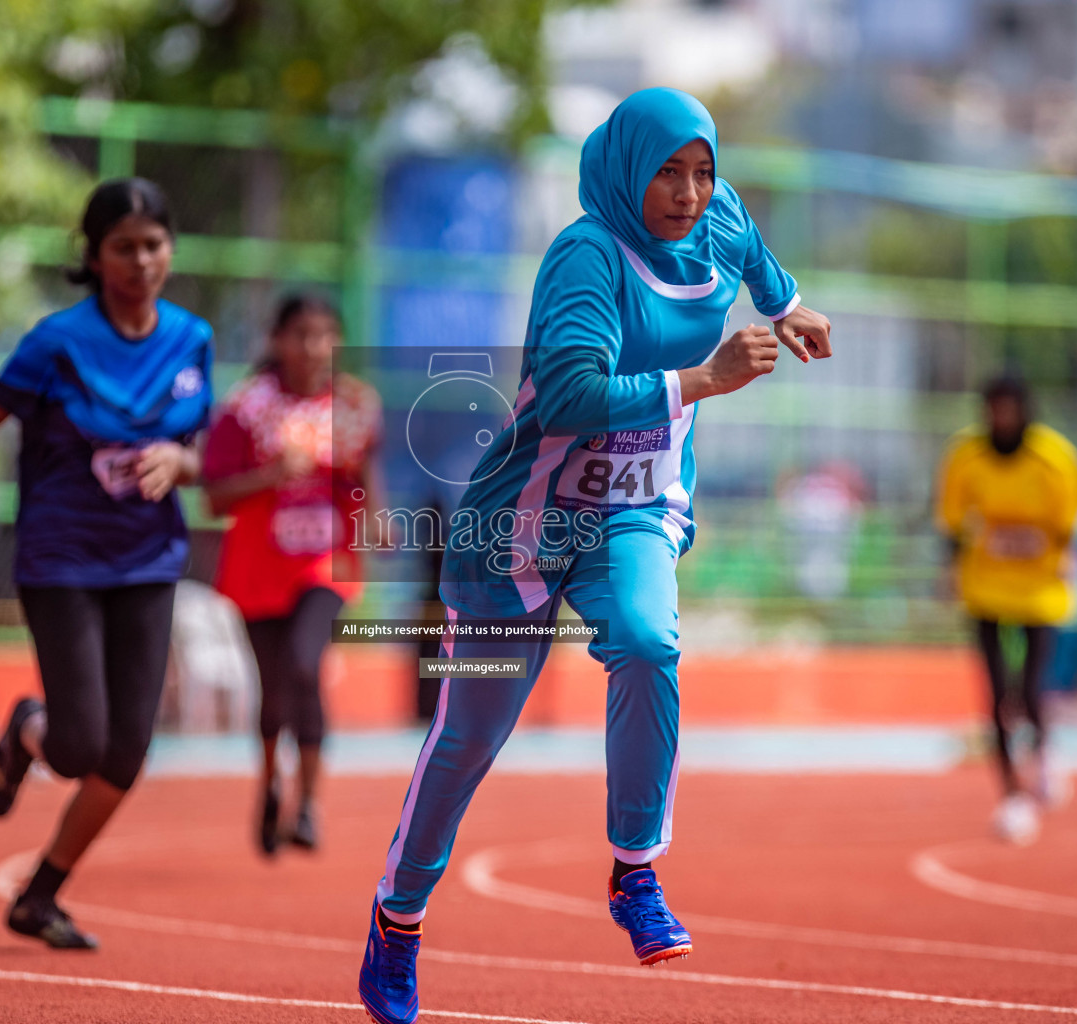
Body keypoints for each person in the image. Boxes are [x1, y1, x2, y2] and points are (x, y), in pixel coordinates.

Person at [356, 88, 832, 1024]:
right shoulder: (585, 256)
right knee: (466, 742)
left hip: (634, 509)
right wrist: (704, 379)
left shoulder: (720, 213)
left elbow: (760, 264)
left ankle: (634, 871)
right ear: (624, 167)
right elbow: (571, 396)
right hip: (527, 516)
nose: (690, 192)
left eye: (702, 170)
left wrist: (791, 307)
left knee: (651, 644)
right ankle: (399, 919)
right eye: (668, 171)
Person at [0, 178, 212, 949]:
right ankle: (28, 729)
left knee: (126, 752)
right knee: (76, 746)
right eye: (122, 247)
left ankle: (40, 894)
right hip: (61, 558)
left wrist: (180, 464)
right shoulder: (56, 342)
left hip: (150, 558)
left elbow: (202, 449)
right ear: (93, 258)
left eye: (152, 245)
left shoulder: (192, 338)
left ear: (171, 251)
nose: (140, 261)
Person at [202, 294, 380, 855]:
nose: (314, 347)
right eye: (302, 334)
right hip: (259, 566)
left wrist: (374, 523)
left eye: (327, 334)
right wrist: (272, 474)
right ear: (278, 340)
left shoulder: (353, 405)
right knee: (273, 686)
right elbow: (213, 496)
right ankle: (269, 784)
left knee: (306, 663)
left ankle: (308, 804)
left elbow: (364, 477)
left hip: (325, 564)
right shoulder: (246, 407)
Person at [934, 376, 1077, 846]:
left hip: (1040, 592)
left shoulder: (1054, 457)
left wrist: (1063, 553)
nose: (1001, 418)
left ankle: (1043, 752)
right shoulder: (967, 455)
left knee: (1032, 688)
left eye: (1009, 409)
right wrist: (952, 569)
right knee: (998, 696)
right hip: (985, 590)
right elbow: (952, 519)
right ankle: (1013, 797)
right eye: (993, 409)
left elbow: (1074, 520)